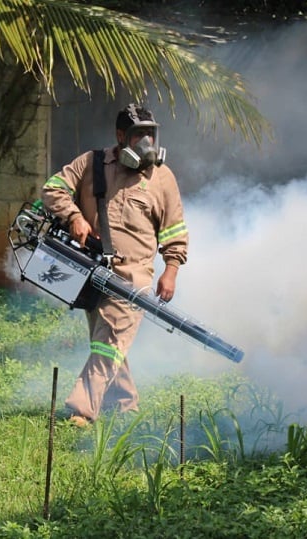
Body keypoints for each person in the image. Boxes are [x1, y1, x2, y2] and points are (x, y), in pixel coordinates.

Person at [41, 103, 189, 427]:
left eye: (151, 134)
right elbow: (52, 190)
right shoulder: (92, 163)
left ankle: (82, 410)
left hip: (134, 275)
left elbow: (175, 230)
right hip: (91, 270)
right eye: (139, 135)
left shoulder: (162, 178)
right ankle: (125, 405)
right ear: (121, 136)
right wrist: (74, 216)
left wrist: (171, 270)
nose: (147, 142)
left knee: (109, 340)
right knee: (107, 341)